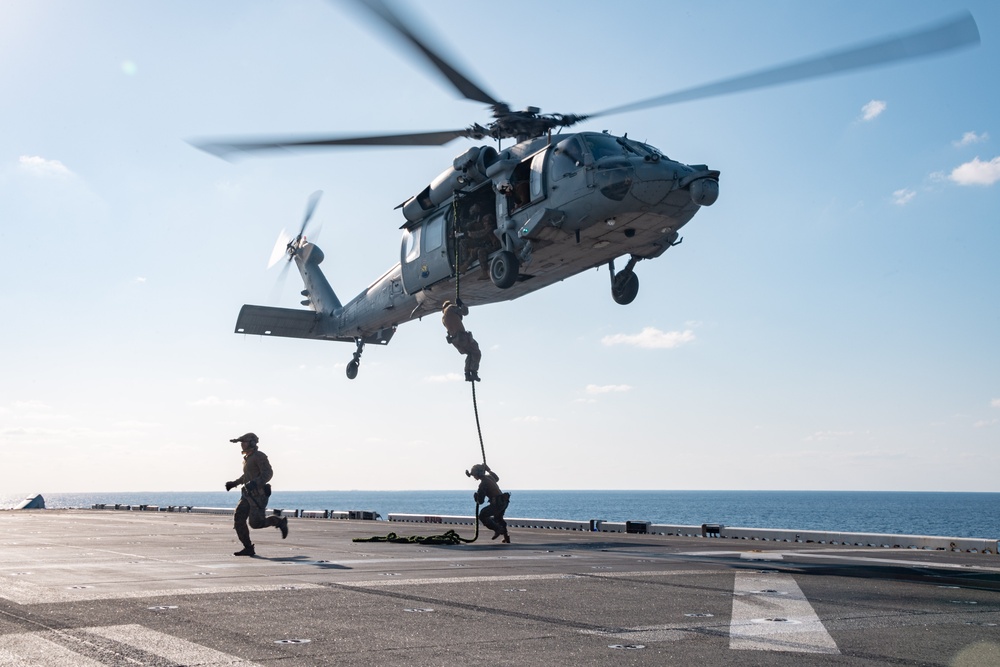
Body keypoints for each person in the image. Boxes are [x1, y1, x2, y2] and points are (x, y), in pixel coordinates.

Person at [224, 432, 288, 556]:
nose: (242, 444)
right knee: (239, 519)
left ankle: (279, 522)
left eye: (244, 442)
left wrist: (255, 483)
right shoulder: (248, 458)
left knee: (256, 523)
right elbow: (247, 476)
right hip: (247, 495)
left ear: (252, 443)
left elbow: (268, 473)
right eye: (241, 442)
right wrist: (234, 483)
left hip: (258, 495)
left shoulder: (259, 456)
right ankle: (248, 547)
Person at [467, 463, 510, 543]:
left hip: (497, 503)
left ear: (478, 474)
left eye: (474, 475)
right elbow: (497, 478)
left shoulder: (483, 484)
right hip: (504, 501)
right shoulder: (489, 477)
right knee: (498, 518)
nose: (474, 477)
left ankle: (498, 529)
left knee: (482, 515)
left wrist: (476, 497)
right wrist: (489, 470)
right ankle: (506, 537)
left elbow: (480, 501)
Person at [442, 299, 481, 382]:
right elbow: (465, 312)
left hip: (456, 342)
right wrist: (461, 304)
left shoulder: (444, 318)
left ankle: (467, 374)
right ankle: (473, 372)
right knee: (476, 352)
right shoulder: (450, 308)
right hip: (462, 337)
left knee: (470, 354)